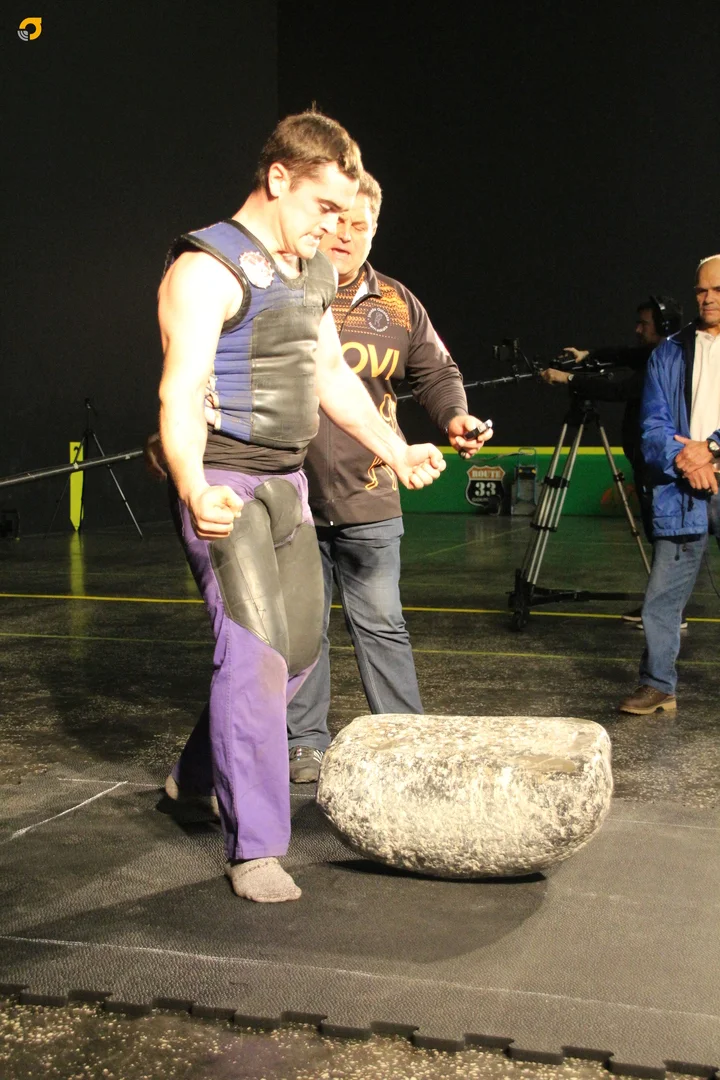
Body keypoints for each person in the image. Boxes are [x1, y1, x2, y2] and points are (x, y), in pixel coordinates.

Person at [156, 112, 447, 902]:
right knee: (253, 657)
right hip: (227, 483)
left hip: (291, 485)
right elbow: (180, 391)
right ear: (278, 177)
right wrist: (192, 485)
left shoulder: (311, 270)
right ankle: (254, 846)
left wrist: (396, 450)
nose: (335, 228)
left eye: (346, 213)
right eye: (323, 207)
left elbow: (331, 377)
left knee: (295, 656)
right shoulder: (206, 268)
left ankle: (195, 774)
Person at [285, 171, 491, 782]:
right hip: (289, 495)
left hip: (370, 494)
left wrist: (454, 416)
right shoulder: (286, 291)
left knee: (381, 624)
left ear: (374, 230)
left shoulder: (398, 303)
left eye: (361, 225)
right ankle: (303, 742)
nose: (345, 235)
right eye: (338, 221)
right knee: (302, 631)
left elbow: (437, 373)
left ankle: (404, 740)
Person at [540, 295, 683, 625]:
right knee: (658, 534)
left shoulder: (667, 359)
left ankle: (668, 611)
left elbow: (620, 389)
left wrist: (569, 379)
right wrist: (587, 356)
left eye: (644, 324)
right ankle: (664, 608)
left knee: (662, 536)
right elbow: (623, 354)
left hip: (657, 465)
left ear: (663, 326)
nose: (637, 330)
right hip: (647, 462)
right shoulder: (653, 353)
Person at [618, 255, 720, 715]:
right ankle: (658, 684)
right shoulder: (670, 351)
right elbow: (653, 427)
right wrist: (688, 459)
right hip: (684, 484)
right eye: (701, 290)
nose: (707, 298)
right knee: (662, 596)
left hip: (707, 464)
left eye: (717, 290)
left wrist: (712, 448)